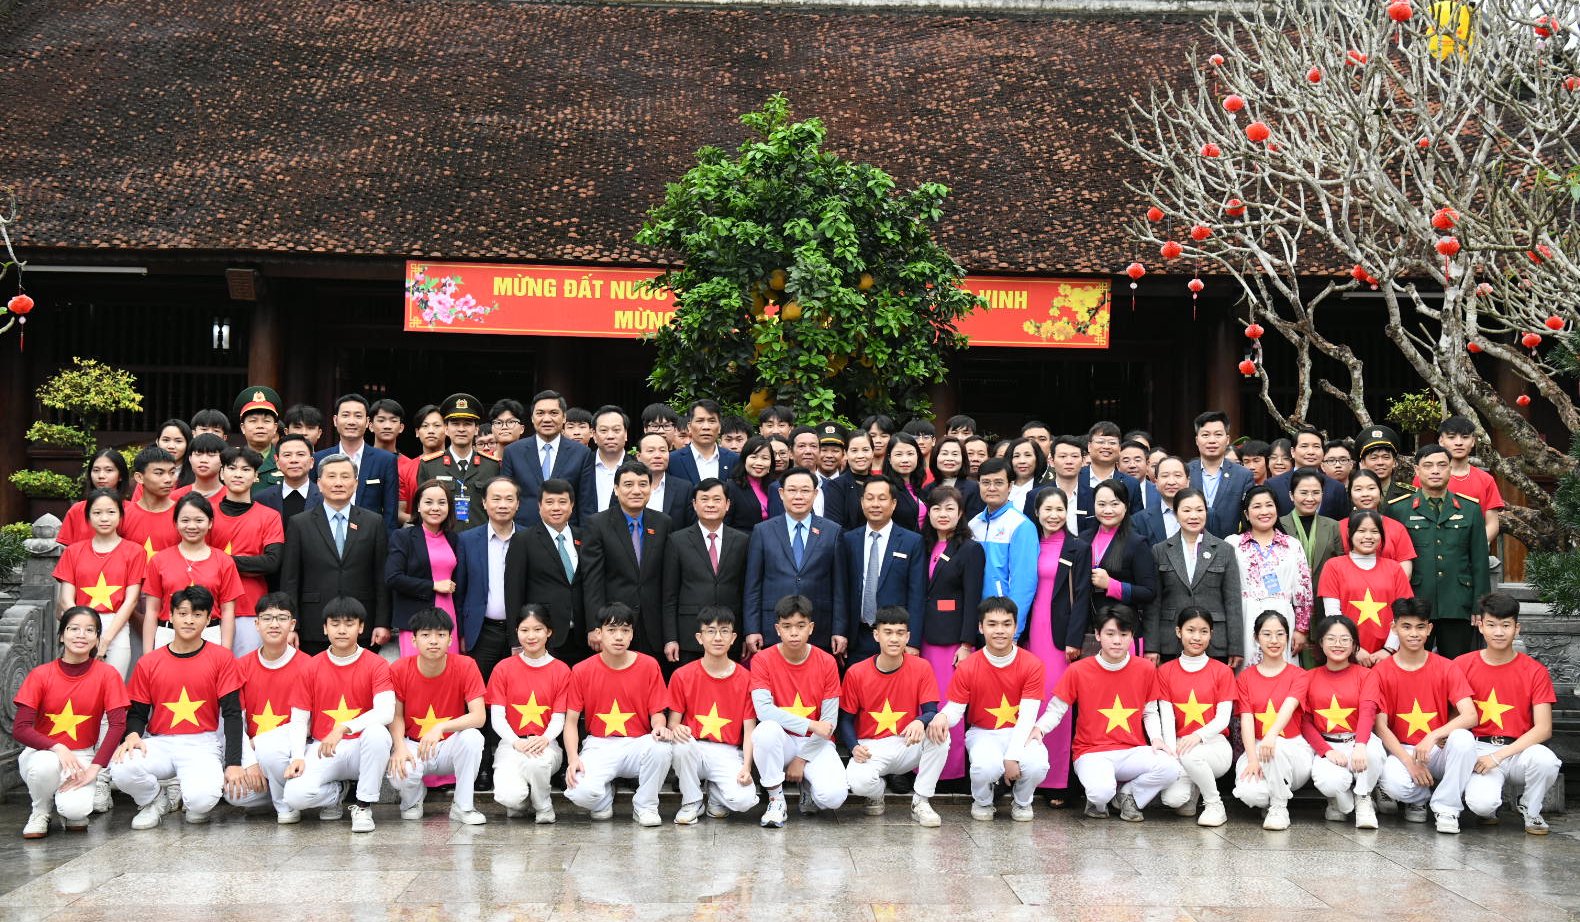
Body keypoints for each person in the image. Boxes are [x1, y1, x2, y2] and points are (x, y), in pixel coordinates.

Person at [111, 586, 244, 829]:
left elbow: (233, 714)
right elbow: (138, 712)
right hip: (160, 741)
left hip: (201, 743)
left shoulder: (221, 658)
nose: (189, 620)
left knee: (201, 802)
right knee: (121, 768)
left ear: (207, 619)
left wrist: (234, 762)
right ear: (170, 617)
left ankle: (192, 797)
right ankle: (154, 800)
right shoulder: (149, 662)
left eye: (197, 614)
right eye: (182, 613)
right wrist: (132, 734)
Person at [1034, 604, 1178, 821]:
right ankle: (1100, 799)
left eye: (1123, 634)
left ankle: (1127, 796)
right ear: (1098, 635)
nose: (1117, 641)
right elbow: (1057, 709)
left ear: (1132, 637)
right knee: (1100, 793)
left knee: (1170, 768)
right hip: (1091, 752)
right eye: (1110, 634)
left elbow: (1150, 711)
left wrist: (1156, 739)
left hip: (1132, 751)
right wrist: (1039, 729)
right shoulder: (1079, 670)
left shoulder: (1146, 669)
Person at [925, 597, 1048, 821]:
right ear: (980, 627)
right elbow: (955, 709)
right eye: (992, 624)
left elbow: (1028, 716)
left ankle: (1022, 802)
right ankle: (982, 801)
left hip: (1020, 730)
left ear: (1016, 626)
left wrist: (1012, 757)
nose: (999, 631)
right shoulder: (969, 665)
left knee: (1038, 764)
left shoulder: (1032, 665)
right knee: (985, 767)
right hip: (983, 732)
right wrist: (942, 716)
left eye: (1006, 624)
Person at [280, 596, 394, 834]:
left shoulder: (376, 664)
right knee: (294, 796)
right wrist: (297, 757)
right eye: (335, 623)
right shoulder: (310, 667)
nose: (342, 630)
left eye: (349, 623)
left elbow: (386, 712)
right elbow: (299, 718)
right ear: (325, 628)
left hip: (363, 748)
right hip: (325, 748)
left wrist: (343, 728)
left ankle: (363, 806)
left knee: (377, 733)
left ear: (361, 627)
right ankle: (337, 794)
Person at [15, 607, 130, 838]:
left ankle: (66, 804)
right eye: (73, 629)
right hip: (42, 752)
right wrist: (57, 746)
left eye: (90, 630)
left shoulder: (107, 674)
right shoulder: (40, 674)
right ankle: (41, 810)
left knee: (76, 812)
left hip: (82, 756)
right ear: (61, 635)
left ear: (97, 638)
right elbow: (20, 728)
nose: (81, 635)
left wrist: (95, 770)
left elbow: (117, 725)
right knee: (44, 766)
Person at [1366, 597, 1478, 833]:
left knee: (1464, 740)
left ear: (1429, 629)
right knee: (1397, 786)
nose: (1413, 634)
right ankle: (1420, 796)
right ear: (1394, 628)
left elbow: (1470, 715)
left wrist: (1432, 737)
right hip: (1401, 749)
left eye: (1420, 627)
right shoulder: (1381, 671)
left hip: (1436, 748)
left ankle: (1447, 808)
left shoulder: (1446, 667)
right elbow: (1381, 727)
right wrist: (1410, 764)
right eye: (1406, 627)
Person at [1456, 592, 1562, 834]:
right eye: (1491, 625)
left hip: (1519, 750)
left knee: (1546, 761)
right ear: (1480, 626)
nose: (1499, 632)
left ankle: (1531, 809)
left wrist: (1500, 756)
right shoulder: (1462, 665)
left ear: (1517, 628)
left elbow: (1544, 728)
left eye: (1506, 625)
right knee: (1481, 805)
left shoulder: (1535, 671)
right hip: (1479, 749)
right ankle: (1489, 810)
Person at [563, 603, 674, 826]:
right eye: (611, 630)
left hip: (637, 743)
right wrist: (573, 758)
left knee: (661, 748)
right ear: (598, 634)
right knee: (579, 793)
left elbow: (657, 712)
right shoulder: (582, 670)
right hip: (599, 744)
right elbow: (571, 722)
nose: (619, 637)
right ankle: (603, 797)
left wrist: (660, 727)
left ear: (632, 634)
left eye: (625, 630)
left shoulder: (649, 665)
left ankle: (645, 805)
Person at [839, 607, 947, 826]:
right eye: (888, 632)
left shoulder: (921, 667)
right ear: (876, 635)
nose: (894, 638)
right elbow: (846, 720)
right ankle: (876, 792)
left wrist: (920, 720)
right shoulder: (856, 672)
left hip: (906, 742)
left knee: (940, 734)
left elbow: (930, 710)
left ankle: (921, 801)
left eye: (900, 633)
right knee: (857, 782)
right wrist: (853, 746)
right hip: (871, 746)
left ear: (908, 637)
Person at [748, 596, 846, 827]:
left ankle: (808, 787)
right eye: (787, 626)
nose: (794, 633)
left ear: (811, 628)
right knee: (765, 731)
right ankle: (776, 800)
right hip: (781, 742)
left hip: (817, 743)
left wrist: (802, 759)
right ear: (777, 629)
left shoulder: (827, 662)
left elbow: (829, 722)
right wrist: (810, 724)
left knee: (833, 797)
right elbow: (763, 711)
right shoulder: (762, 660)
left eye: (801, 626)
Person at [280, 453, 392, 654]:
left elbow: (381, 576)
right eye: (331, 476)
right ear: (320, 483)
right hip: (313, 623)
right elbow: (290, 579)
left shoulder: (373, 522)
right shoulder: (299, 523)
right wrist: (292, 625)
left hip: (362, 623)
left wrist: (382, 622)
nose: (338, 483)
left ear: (356, 483)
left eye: (345, 476)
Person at [1021, 487, 1092, 798]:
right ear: (1036, 513)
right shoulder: (1029, 543)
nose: (1053, 515)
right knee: (1028, 700)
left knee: (1055, 700)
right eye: (1047, 509)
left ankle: (1056, 780)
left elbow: (1082, 596)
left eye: (1059, 509)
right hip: (1028, 631)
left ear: (1067, 512)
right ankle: (1025, 771)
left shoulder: (1077, 547)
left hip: (1058, 636)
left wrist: (1073, 639)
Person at [387, 608, 488, 825]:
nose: (433, 641)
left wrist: (441, 728)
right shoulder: (400, 669)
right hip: (413, 745)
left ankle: (463, 806)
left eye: (441, 635)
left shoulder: (465, 665)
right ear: (413, 640)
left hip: (448, 746)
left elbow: (478, 716)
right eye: (425, 635)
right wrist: (399, 747)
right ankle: (412, 801)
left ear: (450, 639)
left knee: (473, 738)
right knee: (401, 770)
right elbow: (396, 716)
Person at [1388, 444, 1490, 658]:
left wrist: (1479, 606)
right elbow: (1391, 562)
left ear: (1450, 469)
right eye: (1428, 465)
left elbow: (1479, 562)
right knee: (1413, 668)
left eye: (1442, 465)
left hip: (1458, 603)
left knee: (1457, 667)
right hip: (1414, 602)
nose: (1435, 470)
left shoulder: (1470, 509)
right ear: (1417, 471)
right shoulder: (1398, 509)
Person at [666, 606, 760, 824]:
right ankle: (692, 801)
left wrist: (747, 767)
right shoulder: (682, 675)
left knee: (744, 801)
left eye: (725, 631)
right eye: (711, 631)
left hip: (728, 751)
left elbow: (749, 730)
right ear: (699, 638)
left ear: (734, 638)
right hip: (694, 748)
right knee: (681, 745)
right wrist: (676, 728)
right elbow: (673, 723)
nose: (718, 637)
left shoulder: (746, 679)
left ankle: (716, 793)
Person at [225, 593, 313, 824]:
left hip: (295, 752)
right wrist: (250, 761)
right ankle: (281, 795)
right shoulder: (240, 666)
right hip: (258, 755)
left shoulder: (309, 665)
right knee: (233, 795)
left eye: (282, 618)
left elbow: (310, 724)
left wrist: (262, 744)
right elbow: (235, 720)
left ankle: (293, 802)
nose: (274, 624)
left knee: (270, 751)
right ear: (256, 624)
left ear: (292, 624)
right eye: (267, 618)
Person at [743, 468, 847, 655]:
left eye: (805, 490)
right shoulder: (762, 531)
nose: (798, 496)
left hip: (818, 626)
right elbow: (752, 585)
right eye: (792, 490)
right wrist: (752, 629)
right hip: (772, 626)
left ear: (815, 494)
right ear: (781, 493)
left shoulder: (833, 531)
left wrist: (839, 630)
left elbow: (839, 586)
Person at [917, 486, 983, 782]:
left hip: (952, 641)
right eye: (936, 509)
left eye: (949, 509)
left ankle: (950, 772)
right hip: (923, 638)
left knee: (948, 704)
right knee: (923, 702)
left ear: (960, 514)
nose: (942, 515)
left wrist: (967, 642)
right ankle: (919, 767)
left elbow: (972, 598)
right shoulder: (922, 545)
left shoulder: (970, 549)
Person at [1149, 607, 1236, 826]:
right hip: (1180, 746)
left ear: (1211, 634)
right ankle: (1195, 786)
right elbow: (1166, 718)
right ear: (1179, 632)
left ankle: (1214, 804)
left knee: (1192, 756)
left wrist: (1197, 736)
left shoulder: (1222, 671)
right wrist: (1171, 754)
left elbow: (1223, 720)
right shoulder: (1166, 671)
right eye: (1190, 630)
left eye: (1204, 631)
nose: (1197, 637)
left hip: (1214, 745)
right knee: (1173, 799)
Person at [487, 604, 571, 822]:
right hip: (511, 744)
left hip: (546, 744)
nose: (531, 636)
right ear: (516, 632)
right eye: (524, 630)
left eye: (538, 629)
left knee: (536, 763)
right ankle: (524, 798)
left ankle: (543, 805)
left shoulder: (561, 670)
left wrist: (544, 739)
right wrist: (515, 742)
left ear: (548, 632)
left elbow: (558, 717)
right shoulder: (503, 668)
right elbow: (497, 716)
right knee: (510, 797)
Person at [581, 460, 672, 660]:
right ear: (616, 489)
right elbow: (592, 580)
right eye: (628, 485)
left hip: (653, 625)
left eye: (643, 484)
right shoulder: (597, 524)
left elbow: (667, 579)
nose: (636, 491)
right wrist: (596, 626)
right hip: (613, 625)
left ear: (650, 488)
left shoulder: (663, 523)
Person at [1231, 610, 1312, 830]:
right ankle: (1269, 798)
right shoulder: (1246, 677)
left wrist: (1271, 736)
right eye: (1267, 634)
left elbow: (1288, 707)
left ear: (1287, 637)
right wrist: (1252, 759)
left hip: (1292, 748)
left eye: (1280, 634)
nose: (1274, 640)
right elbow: (1246, 720)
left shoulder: (1299, 675)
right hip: (1257, 747)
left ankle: (1279, 807)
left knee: (1275, 749)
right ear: (1256, 638)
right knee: (1249, 793)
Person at [1302, 614, 1385, 829]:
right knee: (1328, 782)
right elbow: (1304, 721)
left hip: (1359, 739)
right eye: (1331, 638)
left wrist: (1360, 745)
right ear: (1320, 642)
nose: (1337, 644)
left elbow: (1368, 711)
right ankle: (1342, 802)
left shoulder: (1366, 675)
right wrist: (1325, 750)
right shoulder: (1309, 677)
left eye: (1344, 639)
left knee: (1373, 755)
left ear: (1355, 644)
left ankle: (1363, 798)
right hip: (1328, 743)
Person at [53, 489, 144, 677]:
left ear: (120, 515)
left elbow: (131, 600)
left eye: (111, 512)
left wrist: (106, 638)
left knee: (113, 684)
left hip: (116, 624)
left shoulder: (135, 551)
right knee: (77, 685)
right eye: (97, 513)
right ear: (88, 517)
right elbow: (66, 599)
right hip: (79, 622)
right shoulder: (73, 551)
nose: (104, 518)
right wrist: (84, 628)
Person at [1148, 488, 1242, 666]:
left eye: (1199, 510)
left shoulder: (1224, 550)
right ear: (1176, 514)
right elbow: (1154, 604)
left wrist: (1236, 646)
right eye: (1186, 510)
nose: (1194, 516)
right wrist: (1152, 646)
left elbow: (1233, 602)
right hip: (1171, 640)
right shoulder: (1160, 550)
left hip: (1215, 641)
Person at [207, 447, 286, 657]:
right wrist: (247, 563)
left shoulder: (269, 516)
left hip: (250, 609)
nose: (238, 474)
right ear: (222, 473)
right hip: (207, 608)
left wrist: (221, 561)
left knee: (247, 677)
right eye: (232, 468)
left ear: (256, 475)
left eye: (246, 469)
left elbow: (271, 562)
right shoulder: (205, 514)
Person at [662, 479, 748, 666]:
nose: (710, 504)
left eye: (717, 499)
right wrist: (671, 638)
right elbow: (669, 594)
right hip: (689, 635)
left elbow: (745, 591)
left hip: (729, 634)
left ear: (727, 504)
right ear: (694, 504)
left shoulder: (742, 540)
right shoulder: (677, 541)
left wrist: (744, 633)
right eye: (704, 499)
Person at [143, 494, 243, 652]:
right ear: (175, 523)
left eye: (199, 520)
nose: (191, 526)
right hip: (168, 635)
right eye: (185, 520)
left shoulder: (224, 561)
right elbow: (152, 610)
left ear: (210, 523)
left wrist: (225, 652)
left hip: (210, 635)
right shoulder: (159, 560)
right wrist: (148, 654)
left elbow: (228, 611)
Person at [842, 476, 927, 662]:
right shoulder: (848, 540)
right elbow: (842, 590)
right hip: (857, 635)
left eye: (882, 498)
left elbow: (917, 595)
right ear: (862, 502)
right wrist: (841, 632)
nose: (875, 504)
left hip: (894, 636)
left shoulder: (911, 541)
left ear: (893, 503)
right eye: (870, 498)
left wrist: (912, 641)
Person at [1316, 511, 1414, 665]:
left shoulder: (1394, 568)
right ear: (1350, 533)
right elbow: (1333, 614)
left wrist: (1388, 649)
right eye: (1361, 531)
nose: (1368, 536)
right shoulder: (1333, 566)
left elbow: (1404, 614)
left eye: (1374, 531)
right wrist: (1353, 647)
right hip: (1346, 654)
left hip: (1389, 657)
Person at [506, 479, 585, 661]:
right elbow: (514, 593)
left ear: (572, 506)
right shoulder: (523, 540)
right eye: (549, 502)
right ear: (539, 506)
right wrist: (516, 640)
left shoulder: (584, 537)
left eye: (562, 502)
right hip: (544, 636)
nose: (556, 507)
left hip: (582, 638)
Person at [1232, 486, 1312, 664]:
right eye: (1257, 506)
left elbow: (1304, 590)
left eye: (1269, 505)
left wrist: (1301, 629)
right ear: (1246, 513)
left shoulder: (1292, 545)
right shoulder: (1233, 544)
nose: (1264, 511)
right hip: (1246, 617)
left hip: (1282, 615)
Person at [1081, 480, 1157, 655]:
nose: (1108, 510)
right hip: (1090, 627)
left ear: (1126, 506)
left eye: (1115, 504)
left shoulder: (1137, 543)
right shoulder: (1084, 539)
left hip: (1123, 629)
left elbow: (1148, 592)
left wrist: (1111, 585)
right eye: (1101, 504)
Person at [386, 480, 461, 657]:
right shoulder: (403, 536)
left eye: (442, 503)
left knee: (448, 674)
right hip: (416, 619)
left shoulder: (453, 539)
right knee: (417, 675)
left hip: (448, 616)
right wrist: (433, 585)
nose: (435, 508)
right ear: (418, 506)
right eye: (428, 502)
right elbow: (392, 577)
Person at [967, 459, 1039, 639]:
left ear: (1010, 486)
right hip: (975, 620)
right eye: (986, 482)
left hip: (1002, 625)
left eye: (998, 482)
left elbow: (1024, 584)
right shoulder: (973, 524)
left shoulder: (1021, 525)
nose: (991, 488)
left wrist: (1013, 630)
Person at [501, 390, 593, 525]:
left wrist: (582, 538)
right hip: (523, 533)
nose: (547, 419)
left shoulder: (581, 453)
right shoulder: (513, 452)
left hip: (565, 534)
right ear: (532, 418)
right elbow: (506, 497)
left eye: (553, 413)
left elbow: (586, 503)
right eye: (540, 413)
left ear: (564, 418)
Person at [313, 393, 401, 531]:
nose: (352, 421)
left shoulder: (385, 460)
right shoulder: (318, 459)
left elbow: (390, 513)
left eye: (358, 416)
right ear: (335, 420)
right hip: (327, 536)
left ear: (367, 422)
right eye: (346, 415)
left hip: (369, 539)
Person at [416, 393, 501, 531]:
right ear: (446, 429)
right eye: (455, 424)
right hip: (443, 542)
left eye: (467, 424)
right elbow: (421, 511)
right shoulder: (429, 465)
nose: (461, 429)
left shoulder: (492, 466)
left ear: (476, 429)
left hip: (479, 542)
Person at [1422, 416, 1504, 546]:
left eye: (1465, 437)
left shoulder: (1486, 480)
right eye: (1452, 437)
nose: (1459, 442)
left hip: (1473, 550)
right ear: (1441, 441)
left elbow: (1492, 524)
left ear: (1473, 441)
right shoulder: (1426, 477)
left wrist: (1476, 547)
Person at [1188, 411, 1256, 538]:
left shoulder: (1243, 475)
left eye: (1218, 434)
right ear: (1197, 440)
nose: (1212, 440)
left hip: (1228, 547)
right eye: (1205, 435)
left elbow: (1248, 516)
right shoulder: (1185, 472)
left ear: (1227, 439)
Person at [1279, 468, 1345, 590]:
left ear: (1322, 495)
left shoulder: (1333, 526)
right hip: (1289, 595)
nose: (1310, 498)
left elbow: (1340, 565)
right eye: (1304, 493)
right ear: (1291, 495)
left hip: (1324, 596)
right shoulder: (1279, 526)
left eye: (1315, 492)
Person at [1342, 470, 1416, 577]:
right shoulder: (1338, 527)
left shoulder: (1397, 528)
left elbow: (1405, 570)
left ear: (1380, 492)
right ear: (1350, 494)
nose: (1365, 494)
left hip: (1390, 591)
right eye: (1358, 489)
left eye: (1371, 488)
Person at [1266, 428, 1350, 519]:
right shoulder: (1273, 485)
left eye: (1316, 446)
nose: (1311, 452)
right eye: (1304, 446)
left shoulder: (1337, 488)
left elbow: (1342, 525)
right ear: (1293, 452)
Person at [56, 448, 131, 547]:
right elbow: (65, 549)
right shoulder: (77, 510)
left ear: (120, 475)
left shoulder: (131, 510)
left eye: (109, 470)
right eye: (96, 470)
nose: (101, 476)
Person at [122, 446, 182, 562]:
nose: (168, 479)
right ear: (139, 477)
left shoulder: (183, 515)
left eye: (172, 472)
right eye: (159, 473)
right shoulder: (123, 516)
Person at [369, 398, 418, 525]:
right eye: (381, 420)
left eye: (393, 420)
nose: (387, 426)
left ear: (401, 427)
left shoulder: (410, 465)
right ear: (370, 425)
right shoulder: (360, 460)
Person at [254, 434, 320, 523]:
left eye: (300, 454)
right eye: (287, 455)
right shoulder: (261, 499)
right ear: (277, 462)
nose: (294, 460)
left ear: (311, 461)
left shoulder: (325, 498)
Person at [670, 399, 738, 485]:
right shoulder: (672, 460)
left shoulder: (734, 460)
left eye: (712, 421)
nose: (706, 427)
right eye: (700, 421)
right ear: (689, 427)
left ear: (720, 427)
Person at [635, 431, 695, 527]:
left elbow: (691, 526)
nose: (658, 455)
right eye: (651, 451)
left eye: (663, 450)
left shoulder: (684, 488)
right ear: (639, 456)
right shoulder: (627, 486)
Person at [232, 386, 283, 496]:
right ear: (243, 427)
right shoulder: (231, 460)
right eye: (253, 421)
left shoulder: (285, 460)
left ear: (275, 428)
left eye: (266, 421)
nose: (260, 426)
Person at [582, 405, 630, 515]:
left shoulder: (638, 467)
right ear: (594, 435)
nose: (610, 436)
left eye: (616, 430)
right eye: (603, 430)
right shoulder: (581, 464)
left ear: (626, 434)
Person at [723, 436, 778, 532]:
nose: (759, 463)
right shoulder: (731, 487)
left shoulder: (775, 487)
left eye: (765, 458)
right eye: (753, 457)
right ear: (744, 460)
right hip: (743, 543)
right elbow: (725, 525)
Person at [1134, 455, 1190, 545]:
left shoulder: (1208, 516)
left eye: (1177, 475)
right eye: (1165, 476)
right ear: (1156, 482)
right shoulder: (1139, 520)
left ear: (1188, 481)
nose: (1171, 482)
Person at [926, 437, 983, 520]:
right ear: (936, 457)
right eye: (944, 454)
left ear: (963, 459)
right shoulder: (927, 489)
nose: (949, 458)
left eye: (955, 454)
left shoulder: (973, 488)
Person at [882, 432, 929, 532]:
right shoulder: (885, 489)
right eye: (899, 454)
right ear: (889, 458)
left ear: (918, 456)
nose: (905, 460)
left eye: (910, 454)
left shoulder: (920, 490)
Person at [1356, 425, 1413, 504]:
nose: (1380, 463)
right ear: (1363, 463)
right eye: (1374, 458)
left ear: (1394, 462)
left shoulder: (1409, 494)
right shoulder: (1353, 495)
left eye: (1386, 457)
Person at [1004, 437, 1048, 515]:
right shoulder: (1001, 486)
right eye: (1016, 456)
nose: (1022, 461)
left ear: (1037, 459)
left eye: (1028, 455)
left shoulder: (1045, 489)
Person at [150, 418, 196, 491]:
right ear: (157, 442)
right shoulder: (147, 472)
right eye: (166, 440)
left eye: (178, 441)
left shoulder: (197, 474)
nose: (171, 446)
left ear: (188, 444)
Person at [182, 433, 227, 501]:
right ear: (190, 458)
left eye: (211, 454)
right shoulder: (175, 498)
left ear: (223, 460)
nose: (204, 460)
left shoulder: (232, 497)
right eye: (198, 454)